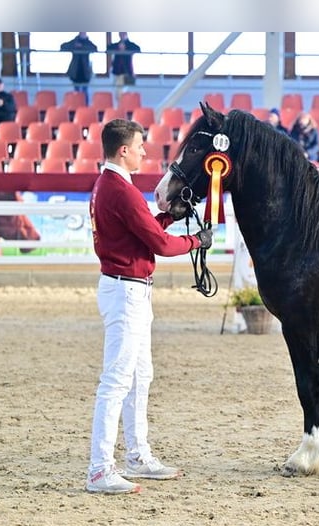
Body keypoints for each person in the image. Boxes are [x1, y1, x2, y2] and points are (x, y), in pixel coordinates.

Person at [86, 118, 213, 494]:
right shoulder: (120, 189)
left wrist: (167, 217)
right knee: (117, 380)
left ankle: (137, 455)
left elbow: (144, 232)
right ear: (123, 150)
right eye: (140, 146)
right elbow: (159, 244)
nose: (144, 152)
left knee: (139, 376)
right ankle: (99, 468)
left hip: (128, 288)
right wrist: (195, 241)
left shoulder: (110, 185)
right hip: (127, 290)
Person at [60, 32, 98, 105]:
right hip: (76, 71)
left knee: (85, 92)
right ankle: (77, 108)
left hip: (85, 72)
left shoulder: (88, 42)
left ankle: (85, 108)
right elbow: (63, 46)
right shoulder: (75, 41)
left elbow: (94, 48)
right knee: (76, 92)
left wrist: (82, 47)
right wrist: (74, 45)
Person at [107, 32, 141, 105]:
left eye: (123, 33)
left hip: (127, 73)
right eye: (120, 33)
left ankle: (120, 108)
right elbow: (108, 48)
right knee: (117, 92)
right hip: (116, 72)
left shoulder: (130, 45)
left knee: (120, 92)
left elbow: (138, 49)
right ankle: (120, 108)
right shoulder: (117, 45)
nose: (121, 35)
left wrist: (125, 47)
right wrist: (118, 47)